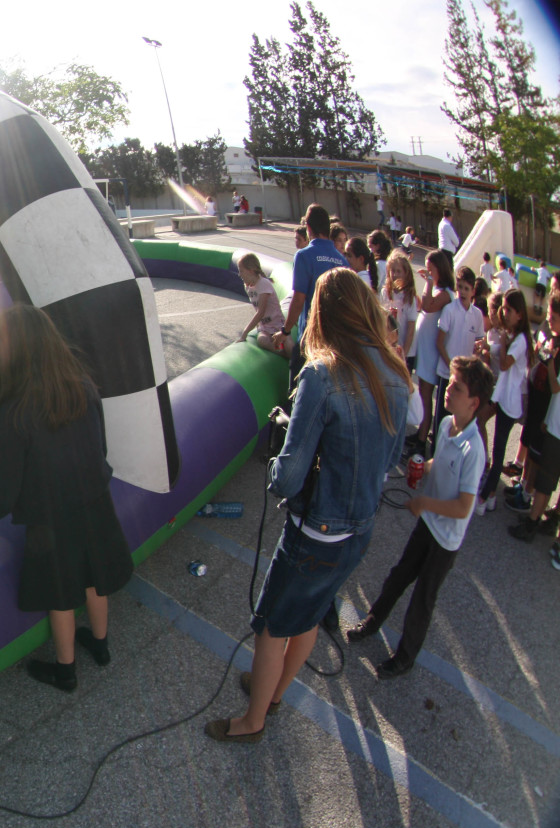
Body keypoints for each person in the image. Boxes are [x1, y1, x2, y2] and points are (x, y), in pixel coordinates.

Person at [206, 269, 410, 741]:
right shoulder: (396, 372)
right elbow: (392, 457)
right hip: (358, 530)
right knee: (311, 614)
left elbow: (289, 478)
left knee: (272, 625)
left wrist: (277, 459)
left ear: (324, 314)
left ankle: (253, 721)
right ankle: (272, 691)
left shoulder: (322, 374)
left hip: (315, 531)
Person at [0, 305, 133, 692]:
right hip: (96, 500)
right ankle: (101, 646)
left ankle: (65, 670)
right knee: (94, 578)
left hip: (51, 516)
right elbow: (100, 447)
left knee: (61, 592)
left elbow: (9, 483)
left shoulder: (16, 410)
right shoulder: (81, 384)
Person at [349, 356, 492, 677]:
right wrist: (420, 469)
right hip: (428, 525)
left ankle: (404, 658)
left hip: (445, 541)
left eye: (457, 387)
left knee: (423, 597)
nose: (448, 390)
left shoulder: (475, 450)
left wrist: (424, 503)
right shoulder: (444, 424)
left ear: (474, 402)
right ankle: (372, 623)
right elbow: (438, 466)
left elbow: (463, 507)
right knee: (399, 575)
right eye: (450, 383)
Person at [273, 204, 348, 384]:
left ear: (308, 228)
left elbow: (299, 299)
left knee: (298, 383)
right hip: (334, 340)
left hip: (311, 335)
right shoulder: (343, 260)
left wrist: (285, 330)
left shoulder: (305, 255)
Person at [508, 290, 560, 549]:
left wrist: (549, 365)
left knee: (546, 478)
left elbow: (556, 387)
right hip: (552, 420)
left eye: (552, 316)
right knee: (548, 476)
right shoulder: (555, 340)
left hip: (557, 428)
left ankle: (532, 522)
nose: (548, 320)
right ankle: (550, 519)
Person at [475, 290, 532, 515]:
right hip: (501, 397)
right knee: (480, 420)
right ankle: (488, 495)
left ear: (520, 314)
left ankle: (484, 496)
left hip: (509, 403)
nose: (504, 313)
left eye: (510, 310)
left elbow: (507, 363)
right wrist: (486, 346)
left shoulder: (520, 340)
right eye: (504, 309)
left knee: (499, 451)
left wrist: (503, 342)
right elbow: (497, 350)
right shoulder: (512, 336)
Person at [409, 251, 457, 455]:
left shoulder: (446, 292)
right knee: (422, 393)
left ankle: (422, 440)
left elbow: (428, 307)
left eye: (431, 268)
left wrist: (427, 283)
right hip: (425, 349)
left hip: (431, 352)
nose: (428, 271)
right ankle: (421, 430)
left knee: (427, 395)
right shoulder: (438, 289)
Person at [434, 267, 485, 446]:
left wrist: (479, 349)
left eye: (466, 288)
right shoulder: (449, 310)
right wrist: (451, 366)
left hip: (465, 380)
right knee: (442, 418)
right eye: (460, 287)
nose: (462, 292)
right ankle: (436, 452)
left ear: (473, 291)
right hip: (447, 373)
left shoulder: (477, 315)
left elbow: (479, 342)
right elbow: (439, 342)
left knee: (459, 420)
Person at [236, 253, 287, 356]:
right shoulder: (248, 287)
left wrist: (245, 333)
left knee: (289, 345)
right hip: (265, 327)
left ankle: (292, 358)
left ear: (251, 270)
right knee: (262, 340)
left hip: (278, 325)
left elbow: (260, 312)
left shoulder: (263, 283)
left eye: (241, 271)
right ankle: (282, 354)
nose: (239, 274)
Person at [384, 250, 421, 373]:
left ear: (406, 274)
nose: (395, 274)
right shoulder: (385, 292)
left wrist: (403, 354)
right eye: (392, 270)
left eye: (398, 271)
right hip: (389, 348)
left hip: (406, 350)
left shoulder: (409, 297)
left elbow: (410, 330)